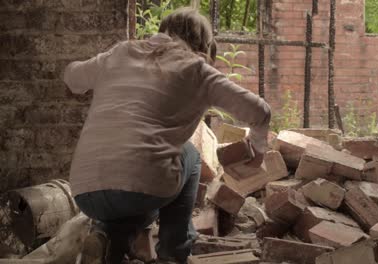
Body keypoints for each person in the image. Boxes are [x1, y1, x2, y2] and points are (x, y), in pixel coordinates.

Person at [63, 7, 271, 264]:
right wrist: (258, 154)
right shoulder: (196, 69)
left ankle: (109, 238)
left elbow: (72, 76)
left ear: (164, 30)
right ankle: (173, 252)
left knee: (137, 185)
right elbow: (260, 111)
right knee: (188, 157)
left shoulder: (120, 52)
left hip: (84, 192)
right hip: (139, 188)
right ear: (202, 43)